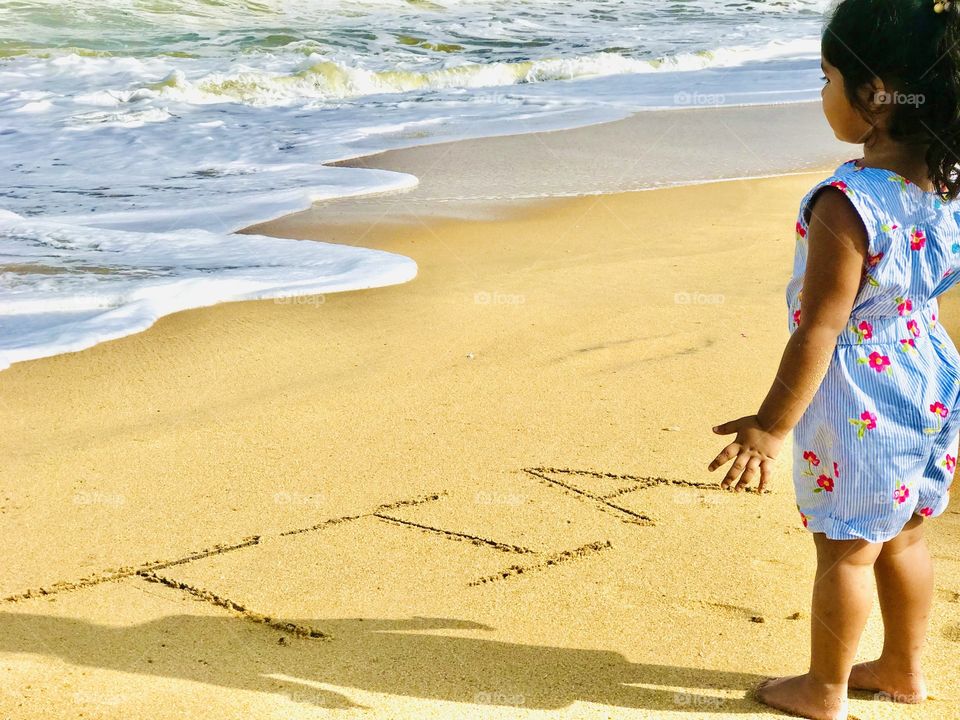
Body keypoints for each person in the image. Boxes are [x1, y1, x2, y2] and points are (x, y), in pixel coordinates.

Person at [706, 1, 960, 718]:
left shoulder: (846, 202)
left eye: (827, 78)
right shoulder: (946, 182)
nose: (822, 95)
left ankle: (825, 689)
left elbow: (819, 330)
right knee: (905, 533)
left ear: (875, 94)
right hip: (931, 372)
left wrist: (770, 424)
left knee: (847, 547)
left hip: (864, 394)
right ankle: (904, 670)